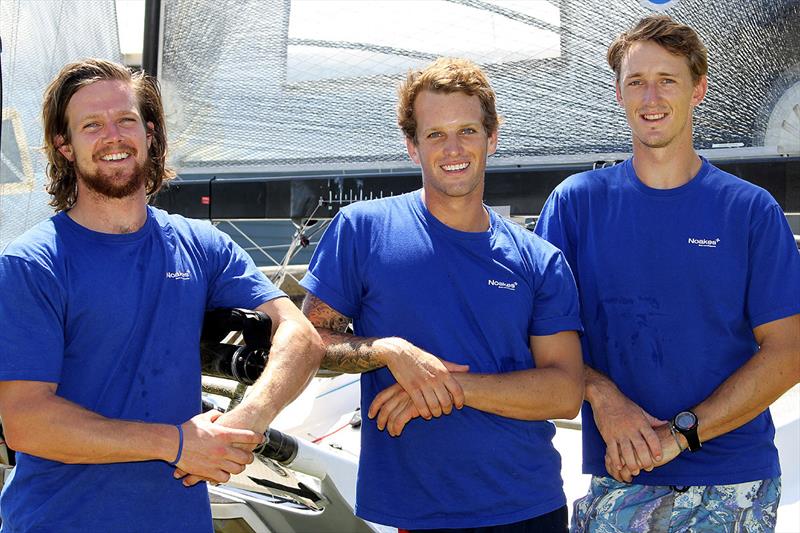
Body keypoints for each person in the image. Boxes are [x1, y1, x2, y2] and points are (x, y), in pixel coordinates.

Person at [0, 59, 324, 533]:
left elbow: (301, 335)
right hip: (61, 520)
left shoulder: (201, 245)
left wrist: (247, 421)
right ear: (64, 147)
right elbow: (26, 421)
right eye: (92, 125)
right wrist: (174, 443)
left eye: (126, 119)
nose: (114, 135)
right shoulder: (34, 263)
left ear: (149, 134)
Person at [534, 15, 800, 532]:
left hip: (735, 486)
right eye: (636, 81)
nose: (650, 97)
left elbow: (789, 352)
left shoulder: (749, 212)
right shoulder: (574, 207)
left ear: (698, 89)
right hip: (621, 478)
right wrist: (603, 397)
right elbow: (543, 337)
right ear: (618, 93)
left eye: (667, 80)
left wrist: (679, 436)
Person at [299, 57, 584, 532]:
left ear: (492, 138)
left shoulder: (540, 259)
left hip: (529, 507)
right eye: (434, 134)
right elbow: (310, 342)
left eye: (468, 131)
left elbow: (565, 391)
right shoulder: (363, 231)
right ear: (412, 146)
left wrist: (441, 387)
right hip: (419, 513)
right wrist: (390, 352)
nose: (453, 148)